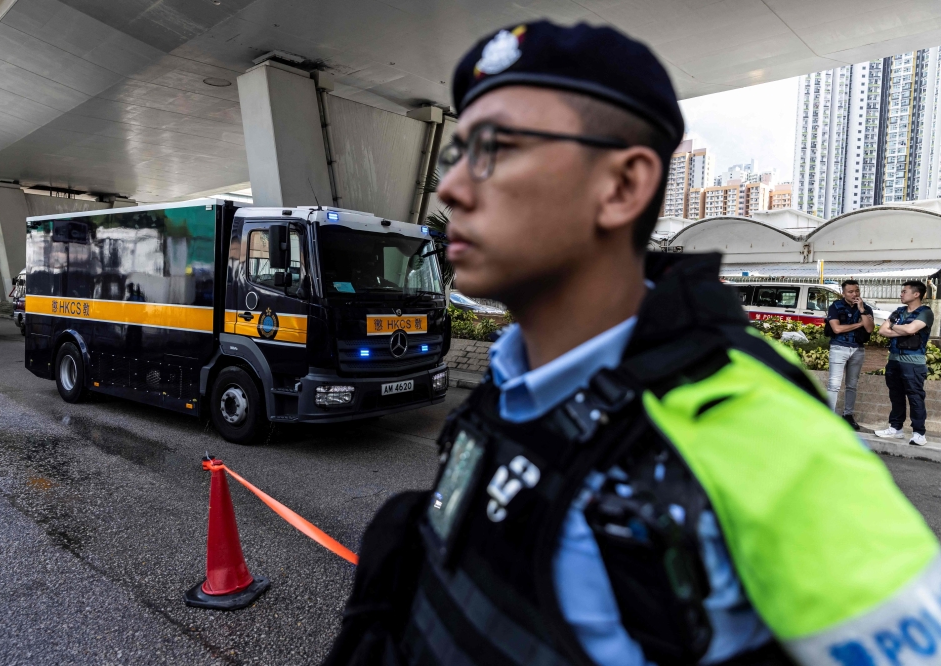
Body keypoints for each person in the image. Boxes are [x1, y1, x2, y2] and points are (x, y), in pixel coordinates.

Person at [324, 21, 941, 666]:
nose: (450, 189)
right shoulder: (516, 375)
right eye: (454, 157)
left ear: (621, 187)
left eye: (496, 149)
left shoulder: (761, 432)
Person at [875, 280, 935, 446]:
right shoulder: (899, 311)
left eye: (904, 291)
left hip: (913, 362)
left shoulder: (926, 312)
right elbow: (882, 330)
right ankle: (896, 428)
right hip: (894, 359)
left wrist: (895, 326)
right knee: (896, 396)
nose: (901, 294)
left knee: (915, 397)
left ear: (916, 294)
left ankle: (919, 433)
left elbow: (910, 329)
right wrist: (904, 330)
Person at [825, 280, 874, 429]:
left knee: (852, 385)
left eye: (857, 291)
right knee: (834, 385)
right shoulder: (835, 307)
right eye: (850, 292)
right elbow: (837, 329)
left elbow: (870, 329)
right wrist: (860, 324)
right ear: (843, 293)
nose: (854, 294)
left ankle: (848, 415)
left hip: (858, 349)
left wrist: (862, 310)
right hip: (839, 348)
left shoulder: (865, 308)